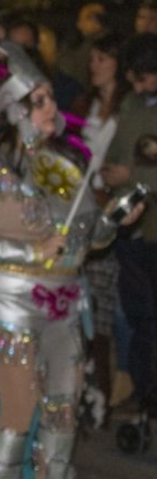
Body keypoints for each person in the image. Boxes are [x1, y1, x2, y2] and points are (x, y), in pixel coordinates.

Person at [0, 40, 143, 479]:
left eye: (50, 99)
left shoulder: (67, 163)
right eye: (37, 101)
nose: (50, 108)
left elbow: (85, 238)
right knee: (19, 413)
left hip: (63, 307)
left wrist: (115, 220)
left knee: (63, 414)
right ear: (14, 110)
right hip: (9, 309)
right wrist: (36, 251)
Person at [70, 33, 128, 420]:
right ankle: (77, 390)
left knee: (102, 310)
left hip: (108, 212)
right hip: (77, 208)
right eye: (92, 57)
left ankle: (101, 396)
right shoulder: (82, 103)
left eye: (102, 57)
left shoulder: (128, 108)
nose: (95, 64)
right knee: (76, 306)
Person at [101, 33, 157, 419]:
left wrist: (134, 173)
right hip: (133, 232)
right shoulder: (133, 104)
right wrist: (111, 173)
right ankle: (143, 393)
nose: (138, 87)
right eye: (134, 80)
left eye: (144, 79)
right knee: (141, 316)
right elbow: (115, 154)